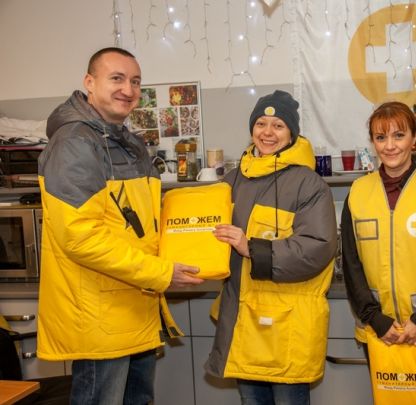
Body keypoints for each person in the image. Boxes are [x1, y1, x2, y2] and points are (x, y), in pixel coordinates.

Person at [37, 47, 203, 405]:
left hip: (133, 306)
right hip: (100, 316)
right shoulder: (75, 143)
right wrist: (161, 273)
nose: (128, 90)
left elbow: (139, 224)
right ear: (89, 82)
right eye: (117, 78)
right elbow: (80, 238)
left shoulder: (126, 142)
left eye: (135, 81)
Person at [206, 90, 337, 405]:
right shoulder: (231, 181)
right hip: (243, 320)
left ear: (292, 133)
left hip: (285, 327)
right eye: (261, 124)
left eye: (278, 125)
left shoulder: (309, 184)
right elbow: (209, 234)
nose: (268, 132)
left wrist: (250, 247)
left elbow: (317, 248)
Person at [340, 102, 416, 386]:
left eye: (399, 135)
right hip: (379, 330)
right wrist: (374, 318)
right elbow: (351, 263)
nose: (389, 146)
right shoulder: (358, 192)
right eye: (381, 137)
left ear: (414, 138)